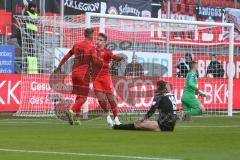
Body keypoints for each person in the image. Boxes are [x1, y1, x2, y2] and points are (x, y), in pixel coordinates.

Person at [55, 28, 100, 125]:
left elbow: (67, 55)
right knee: (83, 98)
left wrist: (59, 66)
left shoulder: (76, 45)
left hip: (74, 74)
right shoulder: (92, 48)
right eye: (93, 35)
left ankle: (76, 119)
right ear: (90, 35)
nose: (94, 37)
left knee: (79, 96)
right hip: (84, 74)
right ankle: (71, 111)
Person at [113, 80, 177, 132]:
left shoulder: (159, 96)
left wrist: (143, 119)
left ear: (158, 86)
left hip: (162, 125)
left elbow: (152, 111)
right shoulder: (172, 95)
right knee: (146, 124)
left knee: (138, 124)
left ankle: (117, 127)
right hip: (172, 126)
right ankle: (119, 126)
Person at [93, 33, 125, 126]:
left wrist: (120, 58)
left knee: (111, 98)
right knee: (100, 98)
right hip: (96, 78)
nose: (98, 41)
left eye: (100, 40)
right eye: (97, 39)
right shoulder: (92, 51)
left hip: (105, 78)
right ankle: (107, 115)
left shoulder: (107, 52)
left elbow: (114, 58)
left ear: (104, 42)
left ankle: (116, 118)